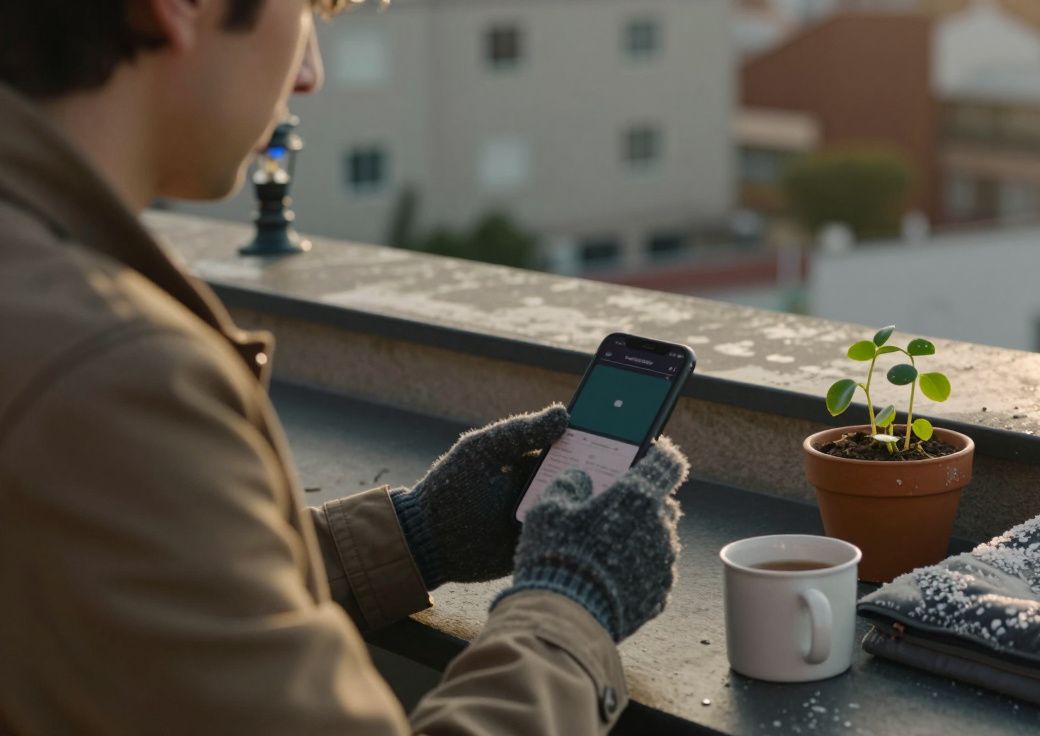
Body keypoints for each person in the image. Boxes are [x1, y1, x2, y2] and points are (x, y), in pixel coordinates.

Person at [0, 1, 688, 733]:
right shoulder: (109, 376)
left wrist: (414, 537)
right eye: (302, 11)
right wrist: (570, 608)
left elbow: (144, 607)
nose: (309, 75)